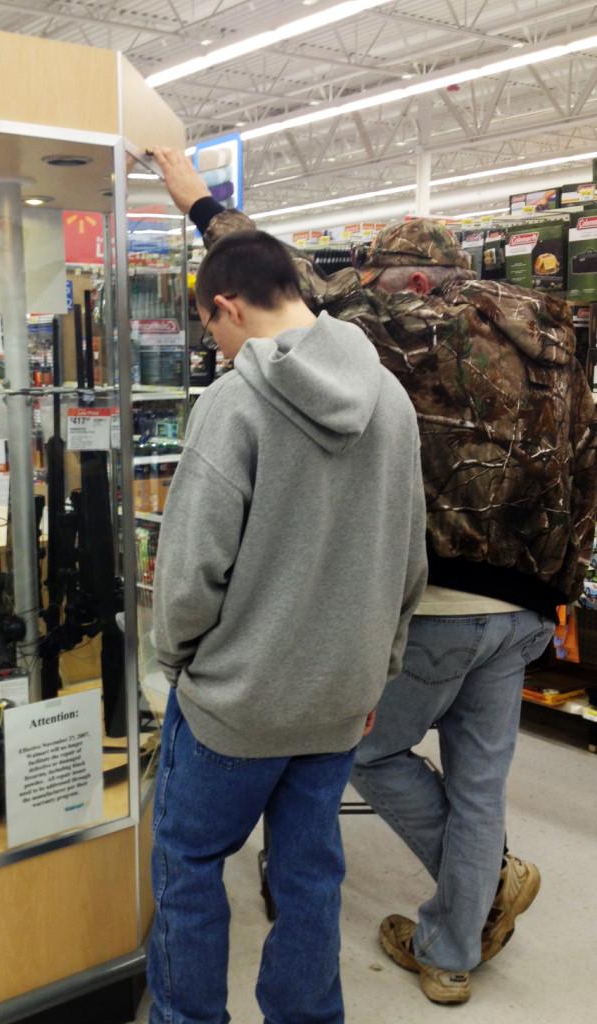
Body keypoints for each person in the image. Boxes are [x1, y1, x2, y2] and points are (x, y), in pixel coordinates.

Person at [150, 146, 597, 1007]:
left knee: (213, 850)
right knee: (443, 803)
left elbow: (189, 575)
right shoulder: (526, 334)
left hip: (308, 666)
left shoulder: (300, 368)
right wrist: (555, 591)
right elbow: (563, 468)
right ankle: (431, 957)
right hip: (491, 618)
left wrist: (201, 201)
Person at [148, 227, 428, 1023]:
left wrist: (182, 663)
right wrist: (379, 670)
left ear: (227, 307)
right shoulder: (393, 403)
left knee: (189, 865)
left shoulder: (232, 405)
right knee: (309, 877)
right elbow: (411, 558)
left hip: (233, 706)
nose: (217, 347)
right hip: (340, 701)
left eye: (211, 328)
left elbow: (190, 574)